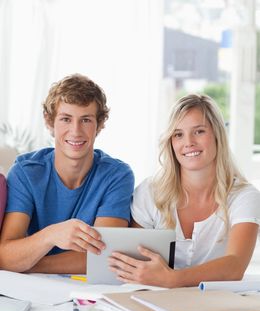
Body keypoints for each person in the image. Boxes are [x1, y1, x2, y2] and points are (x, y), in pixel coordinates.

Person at [109, 93, 260, 288]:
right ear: (171, 142)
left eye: (199, 131)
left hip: (216, 305)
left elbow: (235, 266)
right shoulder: (149, 192)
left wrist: (172, 279)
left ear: (217, 135)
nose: (188, 142)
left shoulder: (244, 197)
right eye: (178, 134)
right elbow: (132, 262)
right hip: (153, 300)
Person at [0, 74, 134, 274]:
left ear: (99, 125)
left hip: (82, 289)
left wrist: (27, 263)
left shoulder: (117, 176)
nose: (76, 131)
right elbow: (5, 256)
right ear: (50, 122)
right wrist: (51, 235)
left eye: (86, 120)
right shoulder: (25, 172)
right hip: (29, 289)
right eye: (65, 119)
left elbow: (103, 257)